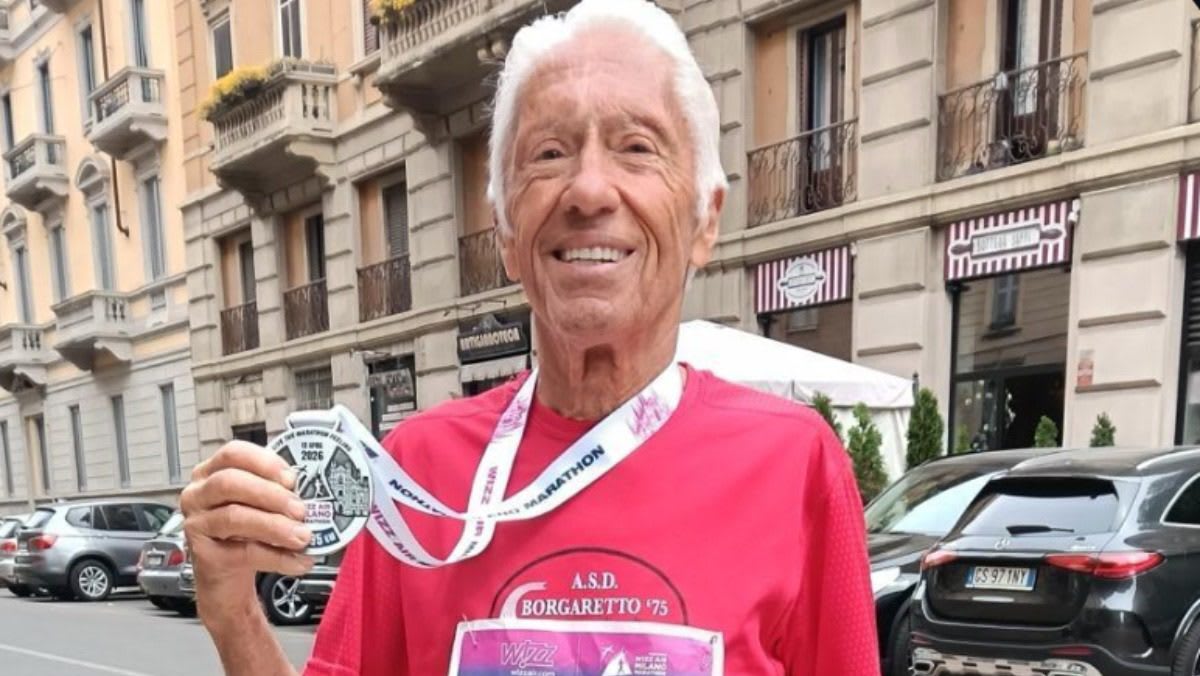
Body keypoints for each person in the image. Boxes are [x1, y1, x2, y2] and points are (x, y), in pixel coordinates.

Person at [180, 1, 879, 674]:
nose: (589, 191)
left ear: (704, 221)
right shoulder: (417, 475)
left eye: (637, 148)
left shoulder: (796, 466)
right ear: (508, 235)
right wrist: (232, 612)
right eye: (549, 154)